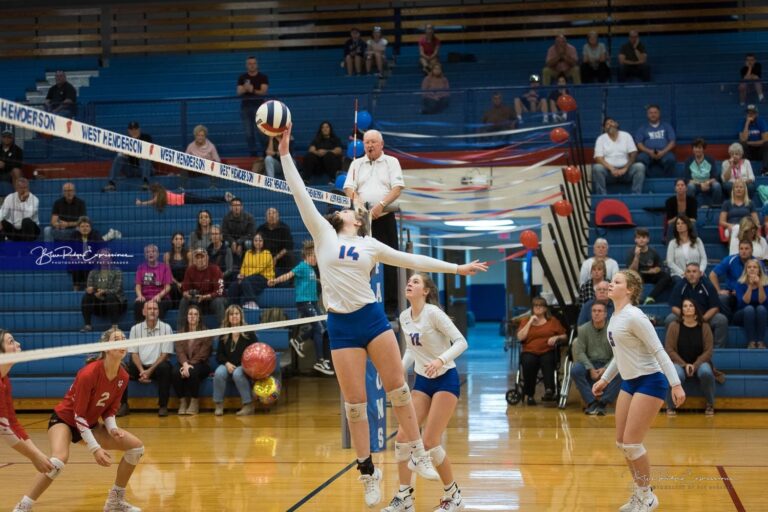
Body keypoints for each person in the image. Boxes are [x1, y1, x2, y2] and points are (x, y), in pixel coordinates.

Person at [278, 123, 487, 507]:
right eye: (346, 208)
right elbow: (297, 193)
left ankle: (420, 454)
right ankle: (367, 471)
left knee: (399, 390)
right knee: (354, 405)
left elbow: (413, 260)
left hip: (371, 319)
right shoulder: (324, 234)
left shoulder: (371, 244)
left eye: (352, 210)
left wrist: (457, 270)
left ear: (358, 220)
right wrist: (285, 152)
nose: (347, 208)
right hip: (340, 325)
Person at [13, 328, 145, 512]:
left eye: (124, 339)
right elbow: (78, 415)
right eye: (117, 339)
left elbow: (110, 410)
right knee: (58, 460)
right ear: (107, 346)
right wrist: (95, 448)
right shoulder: (88, 373)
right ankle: (23, 506)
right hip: (64, 421)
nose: (123, 342)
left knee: (136, 448)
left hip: (89, 424)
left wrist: (112, 427)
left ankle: (115, 501)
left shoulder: (123, 376)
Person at [592, 270, 684, 512]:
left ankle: (647, 496)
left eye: (617, 282)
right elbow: (619, 356)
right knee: (622, 443)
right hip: (630, 382)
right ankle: (640, 493)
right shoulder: (615, 316)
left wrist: (675, 383)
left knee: (633, 444)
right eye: (612, 281)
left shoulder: (635, 316)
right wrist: (604, 379)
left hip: (651, 381)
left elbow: (659, 351)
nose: (611, 284)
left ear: (629, 290)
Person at [383, 273, 467, 512]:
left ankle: (454, 495)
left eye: (416, 282)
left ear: (426, 291)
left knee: (430, 441)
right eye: (409, 281)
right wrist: (397, 371)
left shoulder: (434, 314)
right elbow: (411, 351)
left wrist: (441, 360)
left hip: (445, 380)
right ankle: (405, 498)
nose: (409, 283)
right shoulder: (404, 317)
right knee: (402, 438)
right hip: (422, 381)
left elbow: (461, 342)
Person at [344, 129, 406, 317]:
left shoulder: (391, 162)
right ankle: (362, 302)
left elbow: (398, 188)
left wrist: (381, 205)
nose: (369, 145)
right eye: (366, 142)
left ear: (381, 144)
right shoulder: (356, 163)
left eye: (373, 142)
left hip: (385, 217)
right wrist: (358, 203)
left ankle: (390, 307)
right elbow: (348, 188)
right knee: (363, 260)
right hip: (363, 220)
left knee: (390, 260)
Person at [268, 240, 333, 375]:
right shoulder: (302, 266)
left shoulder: (310, 270)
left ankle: (297, 340)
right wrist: (275, 280)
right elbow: (289, 275)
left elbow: (313, 281)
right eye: (315, 256)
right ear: (308, 256)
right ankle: (320, 360)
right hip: (304, 302)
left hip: (313, 302)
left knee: (324, 327)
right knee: (319, 329)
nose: (316, 259)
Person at [0, 329, 56, 476]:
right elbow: (4, 429)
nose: (18, 344)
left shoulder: (4, 380)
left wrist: (38, 454)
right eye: (11, 342)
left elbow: (12, 422)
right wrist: (34, 457)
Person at [121, 300, 174, 418]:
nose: (152, 311)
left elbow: (164, 354)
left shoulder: (166, 328)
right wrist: (141, 371)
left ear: (159, 312)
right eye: (149, 309)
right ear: (144, 312)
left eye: (155, 309)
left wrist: (149, 371)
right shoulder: (135, 329)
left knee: (165, 367)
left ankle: (163, 406)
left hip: (157, 368)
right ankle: (123, 405)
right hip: (140, 367)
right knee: (121, 369)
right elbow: (133, 353)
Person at [664, 299, 717, 416]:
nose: (688, 308)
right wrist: (684, 365)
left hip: (700, 363)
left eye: (691, 305)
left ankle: (710, 403)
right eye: (685, 306)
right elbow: (669, 349)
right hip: (679, 363)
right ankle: (671, 405)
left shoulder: (704, 326)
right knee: (676, 374)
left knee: (706, 372)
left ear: (695, 309)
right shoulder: (674, 326)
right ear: (682, 310)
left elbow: (708, 350)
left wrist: (695, 365)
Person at [571, 301, 621, 416]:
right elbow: (580, 352)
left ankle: (603, 403)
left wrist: (606, 369)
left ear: (605, 314)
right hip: (590, 363)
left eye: (599, 311)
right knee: (575, 370)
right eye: (594, 311)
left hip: (608, 363)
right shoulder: (583, 329)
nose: (596, 314)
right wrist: (590, 368)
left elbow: (617, 353)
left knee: (622, 370)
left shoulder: (613, 329)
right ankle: (591, 402)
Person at [516, 296, 567, 405]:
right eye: (536, 306)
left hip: (547, 350)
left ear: (545, 309)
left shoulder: (552, 321)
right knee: (529, 362)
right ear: (532, 308)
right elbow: (520, 337)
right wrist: (530, 322)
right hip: (530, 351)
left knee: (548, 360)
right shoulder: (525, 321)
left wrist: (557, 337)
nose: (538, 308)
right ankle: (529, 394)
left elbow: (565, 336)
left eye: (541, 306)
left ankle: (549, 390)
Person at [665, 262, 729, 349]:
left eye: (694, 271)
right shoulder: (680, 285)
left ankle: (718, 349)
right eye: (689, 272)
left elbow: (715, 308)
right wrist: (685, 317)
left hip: (704, 317)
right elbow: (674, 307)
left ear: (700, 273)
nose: (691, 274)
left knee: (721, 320)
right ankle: (673, 349)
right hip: (685, 316)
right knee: (670, 319)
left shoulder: (708, 286)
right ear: (685, 274)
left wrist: (702, 319)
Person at [213, 305, 258, 416]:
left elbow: (254, 352)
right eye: (231, 314)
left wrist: (243, 365)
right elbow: (219, 355)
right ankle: (218, 404)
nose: (234, 316)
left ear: (241, 316)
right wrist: (227, 363)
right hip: (227, 364)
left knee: (238, 373)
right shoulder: (224, 333)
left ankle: (248, 405)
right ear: (228, 317)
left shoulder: (249, 332)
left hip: (244, 366)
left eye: (236, 314)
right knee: (219, 372)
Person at [173, 304, 213, 416]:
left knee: (193, 371)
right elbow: (179, 351)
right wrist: (185, 365)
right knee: (175, 372)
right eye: (190, 314)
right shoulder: (180, 332)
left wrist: (188, 366)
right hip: (184, 362)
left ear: (199, 317)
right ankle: (182, 402)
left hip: (202, 364)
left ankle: (194, 401)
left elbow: (203, 354)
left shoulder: (206, 332)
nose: (192, 316)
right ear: (186, 316)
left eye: (195, 314)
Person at [591, 117, 646, 195]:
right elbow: (598, 158)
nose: (610, 124)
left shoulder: (626, 135)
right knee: (597, 168)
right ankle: (602, 196)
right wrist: (612, 169)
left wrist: (625, 168)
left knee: (640, 166)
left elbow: (634, 153)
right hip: (609, 173)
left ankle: (636, 194)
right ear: (604, 128)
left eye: (611, 122)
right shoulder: (600, 139)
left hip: (626, 172)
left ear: (616, 124)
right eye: (607, 124)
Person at [178, 247, 227, 328]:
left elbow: (220, 291)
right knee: (184, 301)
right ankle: (180, 330)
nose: (200, 259)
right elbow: (185, 290)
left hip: (213, 299)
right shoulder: (190, 270)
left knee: (218, 301)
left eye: (202, 257)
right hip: (198, 300)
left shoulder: (215, 269)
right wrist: (187, 294)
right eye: (197, 257)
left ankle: (224, 328)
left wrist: (205, 297)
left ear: (207, 258)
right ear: (194, 260)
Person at [80, 250, 126, 333]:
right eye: (102, 255)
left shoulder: (117, 271)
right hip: (98, 304)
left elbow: (116, 289)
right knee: (86, 296)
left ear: (111, 258)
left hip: (115, 303)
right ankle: (87, 325)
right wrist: (91, 290)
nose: (104, 257)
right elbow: (90, 287)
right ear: (98, 258)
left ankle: (114, 327)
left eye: (106, 255)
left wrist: (103, 291)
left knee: (111, 296)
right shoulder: (93, 272)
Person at [710, 239, 758, 319]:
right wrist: (718, 290)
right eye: (741, 249)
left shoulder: (757, 263)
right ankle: (728, 322)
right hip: (732, 294)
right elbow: (712, 274)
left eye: (746, 249)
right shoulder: (730, 260)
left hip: (750, 293)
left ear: (752, 250)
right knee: (722, 298)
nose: (743, 251)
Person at [102, 121, 154, 192]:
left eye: (135, 129)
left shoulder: (146, 138)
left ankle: (146, 183)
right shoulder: (125, 140)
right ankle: (111, 184)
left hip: (144, 169)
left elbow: (150, 153)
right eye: (131, 129)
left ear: (139, 129)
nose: (134, 131)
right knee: (119, 158)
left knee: (145, 158)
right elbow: (121, 155)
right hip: (130, 170)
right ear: (128, 131)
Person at [627, 227, 673, 305]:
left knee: (666, 276)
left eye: (644, 237)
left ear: (648, 239)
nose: (641, 240)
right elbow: (632, 271)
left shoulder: (653, 251)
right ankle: (637, 299)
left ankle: (650, 297)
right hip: (639, 275)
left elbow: (659, 266)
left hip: (651, 275)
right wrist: (636, 257)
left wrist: (655, 270)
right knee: (630, 278)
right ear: (635, 240)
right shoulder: (632, 252)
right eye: (639, 237)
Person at [227, 232, 274, 309]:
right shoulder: (248, 253)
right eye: (255, 240)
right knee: (234, 285)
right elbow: (244, 267)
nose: (258, 242)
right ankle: (233, 306)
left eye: (260, 240)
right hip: (249, 278)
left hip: (264, 278)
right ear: (253, 242)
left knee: (245, 281)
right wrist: (241, 275)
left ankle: (252, 301)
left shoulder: (267, 253)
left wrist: (244, 276)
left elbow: (259, 269)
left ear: (263, 242)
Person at [236, 56, 269, 157]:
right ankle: (253, 155)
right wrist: (246, 89)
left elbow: (264, 91)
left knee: (262, 133)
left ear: (257, 64)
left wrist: (252, 90)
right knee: (248, 134)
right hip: (246, 108)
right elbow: (238, 91)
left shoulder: (263, 77)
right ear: (247, 65)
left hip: (260, 109)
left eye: (254, 63)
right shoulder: (242, 77)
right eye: (250, 64)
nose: (252, 65)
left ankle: (266, 153)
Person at [634, 105, 677, 178]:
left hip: (664, 152)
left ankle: (666, 181)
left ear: (659, 114)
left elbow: (672, 142)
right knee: (641, 159)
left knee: (670, 159)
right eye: (650, 113)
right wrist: (649, 152)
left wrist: (663, 152)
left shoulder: (667, 126)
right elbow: (639, 144)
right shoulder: (642, 128)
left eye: (655, 112)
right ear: (647, 115)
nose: (653, 115)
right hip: (648, 153)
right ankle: (648, 180)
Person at [719, 179, 760, 253]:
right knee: (736, 228)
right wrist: (730, 225)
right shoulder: (727, 203)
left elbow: (756, 221)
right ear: (733, 190)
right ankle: (733, 254)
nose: (739, 189)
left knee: (741, 229)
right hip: (731, 228)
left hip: (747, 228)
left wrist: (751, 227)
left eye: (741, 187)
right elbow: (721, 221)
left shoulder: (750, 203)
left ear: (745, 190)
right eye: (736, 187)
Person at [134, 244, 172, 322]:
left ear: (158, 254)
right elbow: (138, 286)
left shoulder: (165, 267)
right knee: (138, 304)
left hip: (162, 298)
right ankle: (140, 329)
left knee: (157, 306)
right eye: (148, 252)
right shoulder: (141, 268)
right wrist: (140, 296)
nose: (151, 253)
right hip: (145, 297)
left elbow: (168, 287)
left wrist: (159, 296)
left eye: (153, 251)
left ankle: (157, 329)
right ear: (145, 255)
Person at [734, 259, 768, 349]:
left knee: (761, 308)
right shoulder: (740, 283)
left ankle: (760, 342)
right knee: (749, 309)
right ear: (746, 270)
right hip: (742, 313)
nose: (752, 269)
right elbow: (743, 302)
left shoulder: (766, 282)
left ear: (759, 270)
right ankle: (751, 342)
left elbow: (763, 302)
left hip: (762, 314)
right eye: (749, 267)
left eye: (755, 267)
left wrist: (759, 284)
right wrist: (750, 285)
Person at [135, 183, 232, 212]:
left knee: (206, 199)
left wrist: (141, 203)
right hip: (186, 196)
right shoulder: (163, 193)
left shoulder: (160, 195)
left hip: (187, 198)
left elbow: (152, 202)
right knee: (206, 198)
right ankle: (224, 198)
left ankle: (225, 198)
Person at [666, 215, 707, 282]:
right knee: (679, 282)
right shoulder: (672, 243)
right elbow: (670, 262)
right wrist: (683, 273)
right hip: (679, 274)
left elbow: (703, 258)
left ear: (688, 225)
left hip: (696, 273)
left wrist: (700, 271)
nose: (680, 225)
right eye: (678, 223)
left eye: (683, 223)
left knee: (705, 281)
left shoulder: (697, 241)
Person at [683, 138, 722, 206]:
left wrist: (707, 183)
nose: (697, 150)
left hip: (708, 185)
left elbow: (715, 177)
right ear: (693, 149)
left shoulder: (710, 160)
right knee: (690, 187)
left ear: (703, 149)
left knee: (717, 186)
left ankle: (716, 207)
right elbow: (687, 179)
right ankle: (691, 208)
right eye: (695, 147)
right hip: (696, 185)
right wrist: (700, 184)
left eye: (699, 148)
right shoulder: (688, 161)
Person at [68, 216, 102, 291]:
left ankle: (89, 288)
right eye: (82, 226)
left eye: (87, 226)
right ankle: (76, 288)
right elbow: (69, 251)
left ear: (90, 227)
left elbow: (101, 250)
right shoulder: (74, 235)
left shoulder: (96, 235)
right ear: (78, 228)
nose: (85, 228)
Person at [221, 197, 257, 267]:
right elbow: (224, 233)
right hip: (231, 241)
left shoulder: (249, 217)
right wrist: (233, 242)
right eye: (234, 206)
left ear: (242, 207)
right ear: (230, 208)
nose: (236, 207)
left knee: (248, 243)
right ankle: (227, 265)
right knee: (225, 243)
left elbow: (251, 234)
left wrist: (239, 242)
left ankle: (250, 263)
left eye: (238, 205)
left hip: (244, 241)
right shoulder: (226, 218)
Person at [738, 104, 768, 173]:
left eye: (752, 113)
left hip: (760, 151)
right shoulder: (742, 123)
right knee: (742, 145)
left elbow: (765, 140)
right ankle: (744, 171)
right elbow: (743, 139)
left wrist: (749, 143)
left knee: (767, 144)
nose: (750, 115)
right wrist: (747, 123)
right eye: (749, 113)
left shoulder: (761, 122)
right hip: (748, 152)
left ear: (756, 114)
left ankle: (765, 169)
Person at [163, 232, 189, 307]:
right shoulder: (167, 255)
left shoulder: (188, 255)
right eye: (176, 239)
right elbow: (168, 274)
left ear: (183, 241)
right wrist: (177, 283)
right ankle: (175, 307)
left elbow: (189, 272)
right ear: (172, 241)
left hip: (185, 279)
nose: (178, 241)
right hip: (173, 281)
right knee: (173, 287)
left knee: (187, 285)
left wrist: (183, 282)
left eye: (181, 239)